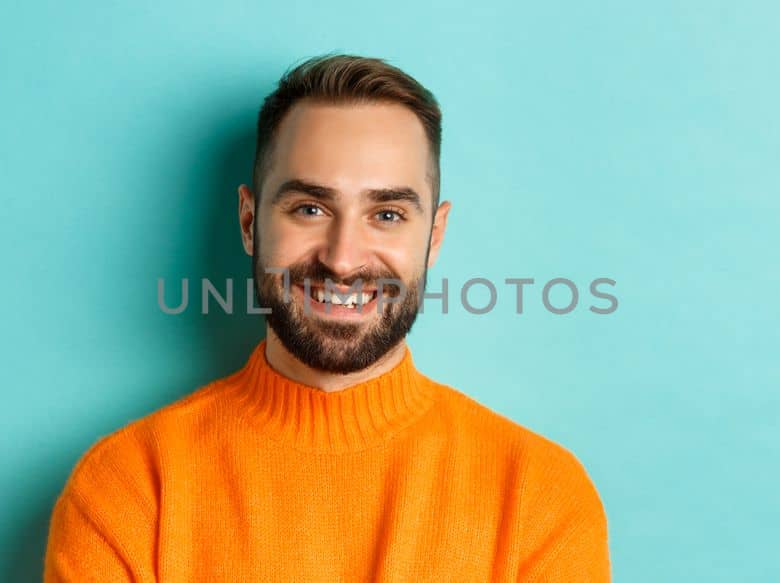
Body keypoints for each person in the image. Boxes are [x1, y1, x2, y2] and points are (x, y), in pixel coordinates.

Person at [44, 54, 610, 581]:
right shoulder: (132, 488)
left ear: (434, 236)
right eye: (310, 209)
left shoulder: (539, 497)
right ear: (249, 221)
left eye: (386, 214)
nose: (342, 259)